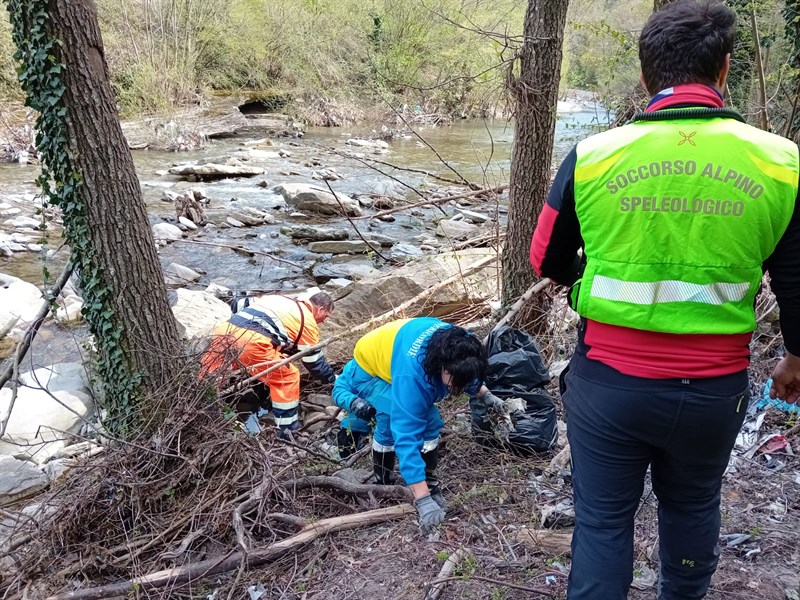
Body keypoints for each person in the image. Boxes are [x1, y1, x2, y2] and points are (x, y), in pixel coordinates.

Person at [530, 2, 800, 599]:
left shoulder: (596, 155)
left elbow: (544, 256)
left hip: (609, 382)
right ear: (725, 69)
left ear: (647, 76)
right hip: (712, 388)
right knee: (693, 505)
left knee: (602, 522)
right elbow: (797, 275)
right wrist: (795, 357)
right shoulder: (781, 161)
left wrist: (581, 285)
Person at [332, 317, 503, 532]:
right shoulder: (412, 375)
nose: (457, 387)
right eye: (455, 383)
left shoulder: (460, 341)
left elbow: (467, 369)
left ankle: (428, 481)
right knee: (393, 420)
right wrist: (423, 501)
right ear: (442, 368)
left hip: (393, 349)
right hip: (369, 372)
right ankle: (384, 480)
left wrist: (484, 393)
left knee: (431, 425)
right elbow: (406, 438)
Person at [201, 291, 337, 433]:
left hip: (225, 331)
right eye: (326, 316)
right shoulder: (307, 321)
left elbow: (239, 303)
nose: (324, 321)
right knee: (287, 377)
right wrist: (332, 379)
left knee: (210, 380)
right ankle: (287, 430)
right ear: (320, 309)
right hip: (252, 342)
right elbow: (314, 363)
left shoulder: (281, 298)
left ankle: (198, 414)